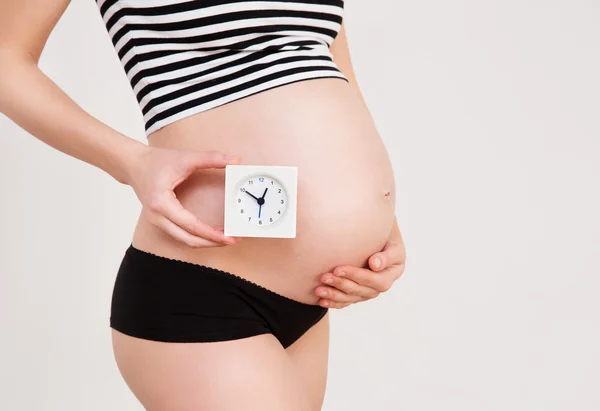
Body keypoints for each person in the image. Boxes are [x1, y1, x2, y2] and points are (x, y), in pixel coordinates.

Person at [0, 0, 407, 409]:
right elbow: (5, 59)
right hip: (207, 289)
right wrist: (132, 162)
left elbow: (324, 59)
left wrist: (381, 222)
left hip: (313, 298)